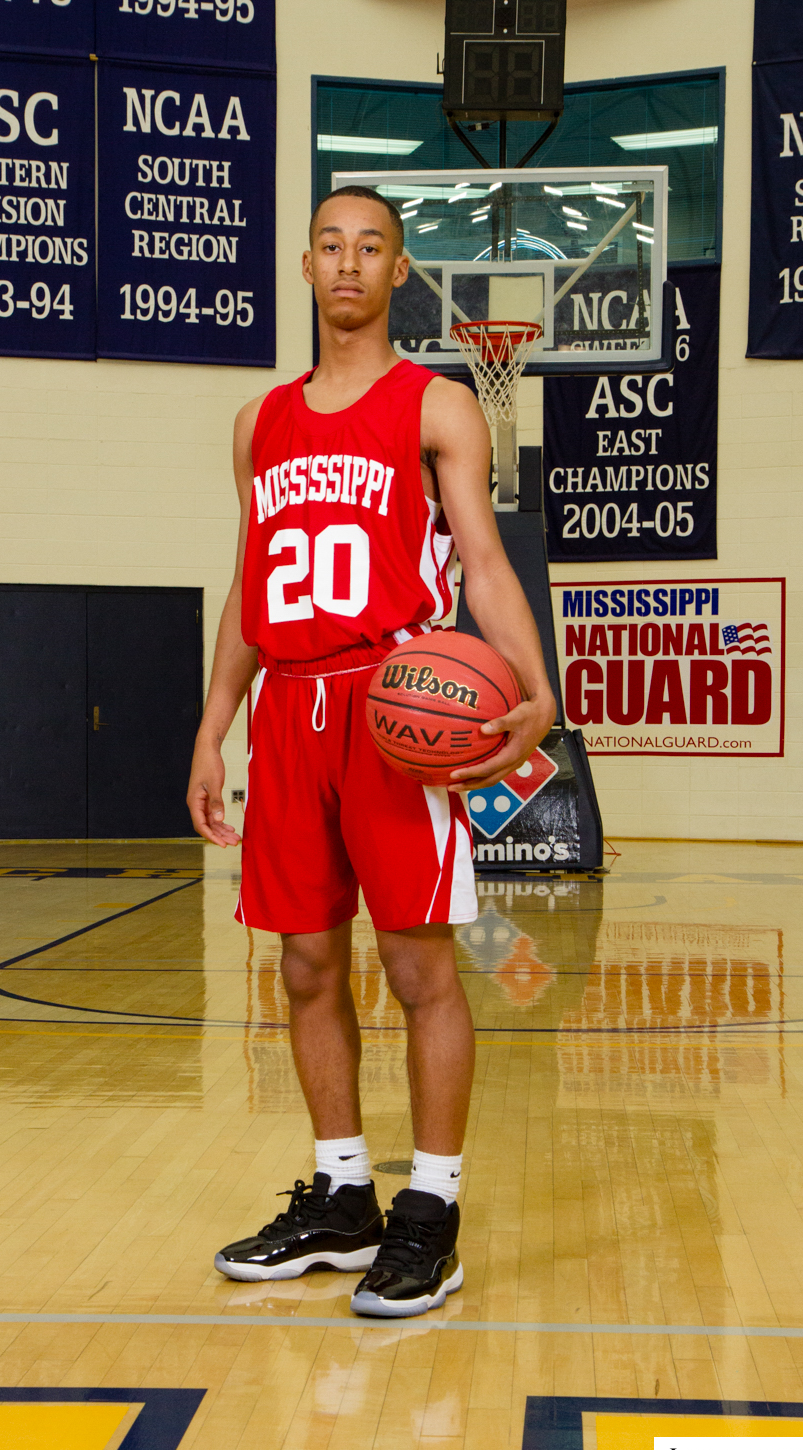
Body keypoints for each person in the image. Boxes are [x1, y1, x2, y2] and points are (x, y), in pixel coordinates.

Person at [187, 184, 556, 1318]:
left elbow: (482, 561)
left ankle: (430, 1213)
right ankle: (344, 1198)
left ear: (400, 272)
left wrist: (537, 688)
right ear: (305, 265)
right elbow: (250, 584)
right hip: (288, 710)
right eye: (331, 245)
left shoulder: (437, 406)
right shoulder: (258, 423)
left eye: (371, 247)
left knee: (418, 969)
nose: (349, 263)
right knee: (304, 966)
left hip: (397, 709)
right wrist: (212, 727)